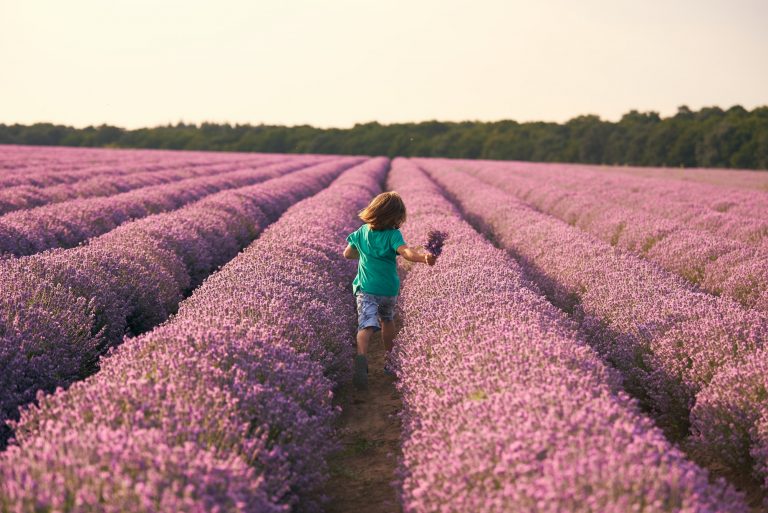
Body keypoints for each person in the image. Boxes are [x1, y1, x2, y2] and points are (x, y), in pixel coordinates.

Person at [343, 191, 436, 390]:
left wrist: (364, 252)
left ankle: (361, 359)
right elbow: (406, 252)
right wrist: (423, 258)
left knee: (365, 325)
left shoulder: (361, 232)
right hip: (388, 288)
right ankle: (390, 360)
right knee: (387, 320)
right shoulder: (393, 235)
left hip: (366, 287)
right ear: (395, 217)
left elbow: (348, 254)